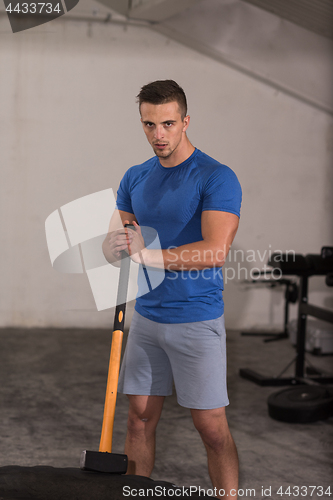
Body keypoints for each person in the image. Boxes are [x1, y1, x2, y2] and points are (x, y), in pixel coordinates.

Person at [102, 80, 242, 499]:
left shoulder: (216, 177)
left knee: (211, 427)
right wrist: (113, 247)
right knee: (139, 418)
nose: (158, 135)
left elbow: (215, 250)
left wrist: (146, 256)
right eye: (149, 124)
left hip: (196, 319)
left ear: (185, 121)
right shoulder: (135, 175)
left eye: (167, 123)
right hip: (147, 319)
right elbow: (120, 239)